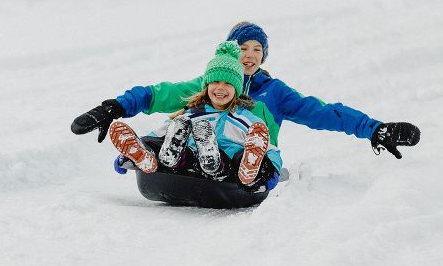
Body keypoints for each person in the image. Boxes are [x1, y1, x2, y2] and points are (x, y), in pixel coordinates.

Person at [71, 21, 420, 162]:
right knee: (176, 128)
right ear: (229, 52)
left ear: (263, 55)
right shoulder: (209, 85)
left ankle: (240, 162)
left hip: (244, 162)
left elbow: (325, 112)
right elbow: (156, 94)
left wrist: (375, 128)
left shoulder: (275, 92)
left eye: (256, 49)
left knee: (241, 146)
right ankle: (147, 156)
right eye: (242, 47)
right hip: (196, 157)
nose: (249, 54)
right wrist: (114, 106)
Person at [106, 41, 282, 192]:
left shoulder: (246, 119)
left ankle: (235, 165)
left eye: (228, 83)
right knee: (158, 141)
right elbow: (157, 134)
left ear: (237, 89)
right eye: (215, 82)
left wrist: (272, 169)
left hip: (226, 172)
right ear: (206, 85)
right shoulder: (191, 113)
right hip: (184, 166)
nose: (220, 87)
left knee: (241, 158)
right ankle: (145, 156)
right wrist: (134, 152)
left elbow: (270, 149)